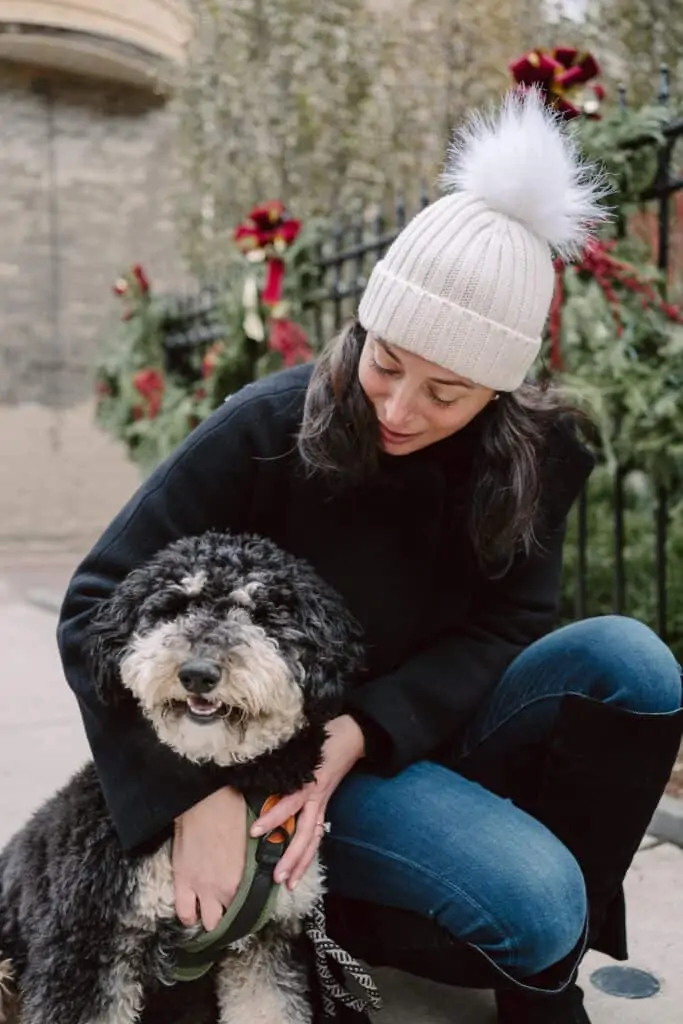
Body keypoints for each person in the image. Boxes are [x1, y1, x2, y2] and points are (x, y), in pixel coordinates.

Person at [58, 91, 683, 1024]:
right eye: (384, 363)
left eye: (447, 392)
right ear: (360, 328)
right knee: (534, 899)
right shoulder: (265, 425)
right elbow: (94, 604)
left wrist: (362, 734)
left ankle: (533, 968)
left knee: (632, 664)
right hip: (277, 751)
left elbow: (510, 624)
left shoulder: (540, 457)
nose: (396, 410)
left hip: (409, 730)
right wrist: (193, 797)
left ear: (502, 392)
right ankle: (350, 913)